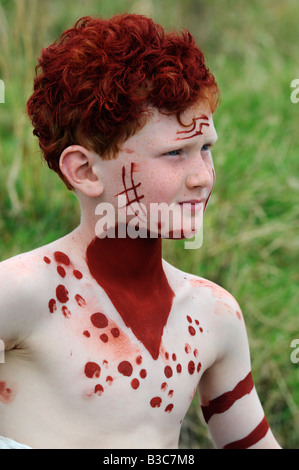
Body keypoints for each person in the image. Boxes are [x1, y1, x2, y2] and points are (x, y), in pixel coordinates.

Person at [0, 14, 280, 449]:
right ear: (86, 170)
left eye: (205, 148)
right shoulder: (22, 293)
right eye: (174, 153)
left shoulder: (213, 315)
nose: (202, 176)